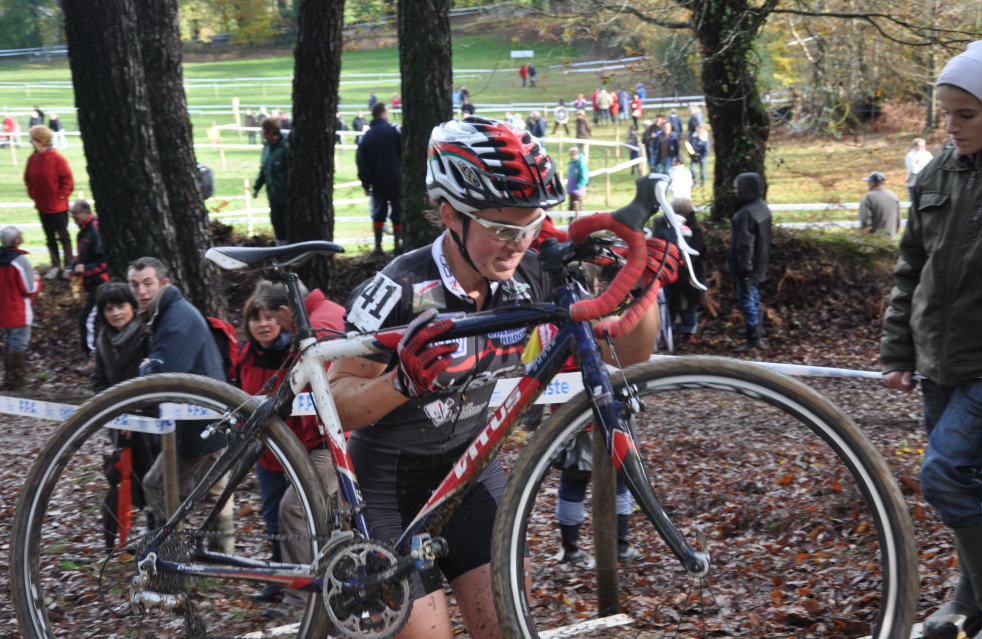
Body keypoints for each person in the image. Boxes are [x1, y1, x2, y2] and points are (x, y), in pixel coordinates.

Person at [328, 115, 663, 639]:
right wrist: (401, 384)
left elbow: (629, 352)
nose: (517, 242)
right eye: (502, 227)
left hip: (473, 476)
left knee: (508, 629)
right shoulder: (399, 288)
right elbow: (336, 403)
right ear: (449, 216)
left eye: (529, 225)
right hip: (389, 486)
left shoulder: (533, 269)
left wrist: (639, 285)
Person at [881, 40, 982, 639]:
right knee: (971, 477)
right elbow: (912, 267)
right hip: (937, 358)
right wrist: (899, 350)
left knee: (944, 473)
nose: (951, 127)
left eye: (968, 114)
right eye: (946, 114)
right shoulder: (939, 169)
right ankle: (971, 600)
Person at [244, 281, 345, 611]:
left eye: (277, 319)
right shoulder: (330, 313)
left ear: (287, 312)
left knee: (294, 508)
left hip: (335, 438)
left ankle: (302, 602)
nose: (279, 328)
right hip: (332, 437)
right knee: (327, 515)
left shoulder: (317, 328)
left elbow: (323, 391)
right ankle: (333, 590)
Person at [129, 257, 234, 550]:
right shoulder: (171, 312)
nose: (141, 291)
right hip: (208, 419)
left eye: (148, 283)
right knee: (214, 491)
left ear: (165, 283)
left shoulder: (174, 320)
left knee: (157, 485)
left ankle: (170, 554)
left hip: (198, 425)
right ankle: (221, 556)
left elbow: (162, 378)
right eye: (135, 284)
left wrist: (146, 368)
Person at [90, 281, 157, 552]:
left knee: (154, 479)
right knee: (127, 479)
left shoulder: (146, 337)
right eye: (109, 308)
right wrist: (115, 412)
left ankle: (156, 533)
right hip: (119, 424)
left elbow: (155, 381)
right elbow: (98, 379)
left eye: (121, 306)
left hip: (149, 423)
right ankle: (124, 534)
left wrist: (135, 412)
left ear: (132, 306)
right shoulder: (104, 340)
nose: (116, 313)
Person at [726, 172, 771, 352]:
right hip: (758, 263)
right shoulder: (762, 207)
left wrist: (744, 268)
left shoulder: (746, 213)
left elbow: (745, 244)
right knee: (754, 297)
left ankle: (754, 337)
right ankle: (755, 329)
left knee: (747, 300)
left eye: (738, 187)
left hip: (747, 266)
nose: (735, 191)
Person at [654, 197, 707, 347]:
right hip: (672, 274)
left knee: (688, 307)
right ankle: (667, 334)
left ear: (681, 212)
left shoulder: (695, 230)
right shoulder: (669, 225)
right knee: (669, 305)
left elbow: (692, 255)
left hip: (688, 275)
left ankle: (689, 334)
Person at [24, 124, 74, 279]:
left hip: (58, 207)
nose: (31, 142)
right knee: (49, 238)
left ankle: (68, 266)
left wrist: (61, 196)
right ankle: (55, 265)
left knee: (64, 237)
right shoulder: (32, 159)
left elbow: (68, 181)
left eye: (33, 139)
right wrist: (34, 195)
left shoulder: (58, 159)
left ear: (41, 141)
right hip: (42, 207)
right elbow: (28, 179)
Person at [65, 200, 109, 375]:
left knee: (87, 320)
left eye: (75, 213)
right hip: (92, 285)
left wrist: (87, 270)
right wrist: (72, 266)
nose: (73, 217)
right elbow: (83, 256)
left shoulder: (95, 230)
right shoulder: (84, 231)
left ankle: (93, 359)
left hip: (101, 284)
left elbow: (104, 260)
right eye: (71, 214)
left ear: (85, 212)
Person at [356, 102, 403, 254]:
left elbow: (361, 162)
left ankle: (378, 246)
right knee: (398, 213)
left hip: (377, 181)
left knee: (378, 214)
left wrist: (365, 184)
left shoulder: (367, 136)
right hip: (397, 179)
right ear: (383, 114)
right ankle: (398, 245)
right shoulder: (394, 130)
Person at [0, 226, 41, 390]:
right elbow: (28, 289)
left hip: (2, 311)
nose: (22, 235)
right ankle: (19, 375)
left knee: (8, 340)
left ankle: (8, 374)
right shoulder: (20, 261)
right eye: (20, 234)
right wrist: (38, 281)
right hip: (18, 310)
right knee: (19, 343)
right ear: (16, 241)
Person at [252, 117, 290, 245]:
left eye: (263, 130)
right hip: (273, 195)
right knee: (276, 223)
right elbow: (264, 169)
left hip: (286, 197)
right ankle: (281, 248)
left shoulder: (285, 147)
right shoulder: (267, 147)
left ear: (270, 131)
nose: (261, 133)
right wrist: (257, 187)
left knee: (287, 225)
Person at [858, 171, 901, 238]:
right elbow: (898, 218)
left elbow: (865, 220)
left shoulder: (868, 197)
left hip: (873, 239)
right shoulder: (893, 195)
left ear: (872, 183)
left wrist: (863, 236)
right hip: (890, 237)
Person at [904, 137, 933, 207]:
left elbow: (932, 167)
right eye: (920, 146)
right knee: (914, 204)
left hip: (926, 182)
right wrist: (925, 166)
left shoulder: (927, 154)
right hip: (914, 183)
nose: (923, 147)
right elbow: (914, 170)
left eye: (924, 146)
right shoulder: (910, 156)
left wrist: (920, 165)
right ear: (915, 146)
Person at [567, 146, 589, 214]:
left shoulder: (581, 163)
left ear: (573, 154)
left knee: (579, 208)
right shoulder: (572, 162)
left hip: (578, 191)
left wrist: (578, 186)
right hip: (572, 190)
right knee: (571, 207)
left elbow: (584, 177)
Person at [687, 124, 710, 188]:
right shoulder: (693, 137)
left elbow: (707, 150)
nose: (698, 132)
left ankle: (703, 183)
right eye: (697, 131)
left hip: (702, 157)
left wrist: (701, 157)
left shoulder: (705, 139)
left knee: (702, 171)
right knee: (692, 169)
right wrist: (693, 155)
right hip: (693, 156)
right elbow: (689, 147)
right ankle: (695, 182)